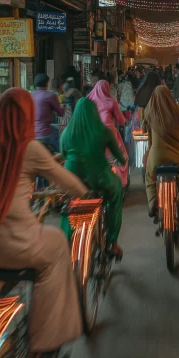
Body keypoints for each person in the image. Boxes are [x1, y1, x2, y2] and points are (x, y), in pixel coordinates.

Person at [0, 88, 88, 358]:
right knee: (56, 247)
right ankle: (43, 344)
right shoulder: (28, 147)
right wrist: (82, 191)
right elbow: (68, 182)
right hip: (18, 244)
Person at [61, 98, 125, 259]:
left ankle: (64, 245)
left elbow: (63, 154)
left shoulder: (67, 133)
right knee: (116, 194)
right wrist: (123, 160)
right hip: (99, 178)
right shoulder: (103, 131)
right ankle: (113, 243)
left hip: (71, 179)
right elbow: (118, 154)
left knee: (68, 206)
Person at [143, 86, 179, 235]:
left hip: (156, 156)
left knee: (150, 176)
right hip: (176, 156)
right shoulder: (178, 111)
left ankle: (152, 201)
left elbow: (144, 129)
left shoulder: (149, 111)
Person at [88, 80, 129, 188]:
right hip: (110, 135)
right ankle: (119, 183)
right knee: (121, 157)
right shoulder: (111, 101)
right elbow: (121, 121)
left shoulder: (89, 101)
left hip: (92, 135)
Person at [31, 73, 65, 153]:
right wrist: (63, 107)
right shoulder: (50, 95)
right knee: (59, 135)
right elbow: (61, 113)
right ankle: (61, 156)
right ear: (47, 83)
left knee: (54, 127)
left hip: (32, 133)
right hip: (45, 134)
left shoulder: (31, 95)